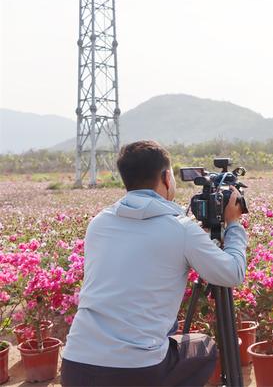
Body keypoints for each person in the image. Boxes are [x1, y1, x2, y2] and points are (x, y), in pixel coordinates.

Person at [61, 140, 248, 386]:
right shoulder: (180, 230)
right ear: (166, 177)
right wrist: (233, 225)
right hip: (137, 370)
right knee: (203, 348)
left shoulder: (99, 223)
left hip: (76, 366)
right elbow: (233, 273)